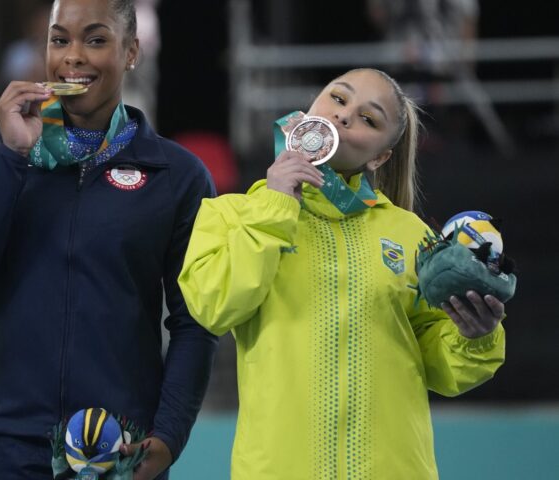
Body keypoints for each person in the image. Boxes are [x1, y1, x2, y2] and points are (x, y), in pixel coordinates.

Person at [177, 68, 507, 479]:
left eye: (369, 119)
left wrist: (474, 337)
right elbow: (215, 305)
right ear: (312, 108)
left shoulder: (410, 236)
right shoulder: (233, 215)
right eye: (337, 98)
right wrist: (276, 207)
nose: (345, 115)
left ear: (379, 157)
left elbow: (442, 369)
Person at [0, 0, 218, 478]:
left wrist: (169, 433)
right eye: (59, 39)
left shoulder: (178, 176)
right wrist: (13, 156)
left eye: (95, 40)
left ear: (131, 51)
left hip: (124, 440)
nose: (73, 56)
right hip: (17, 439)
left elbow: (194, 321)